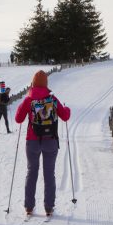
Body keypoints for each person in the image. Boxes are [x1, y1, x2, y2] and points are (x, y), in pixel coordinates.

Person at [15, 70, 71, 217]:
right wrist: (67, 109)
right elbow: (65, 116)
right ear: (46, 84)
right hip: (50, 141)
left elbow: (18, 119)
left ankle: (29, 206)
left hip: (32, 142)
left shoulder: (28, 100)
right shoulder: (52, 99)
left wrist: (23, 106)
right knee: (49, 174)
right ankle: (49, 207)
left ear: (33, 84)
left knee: (31, 172)